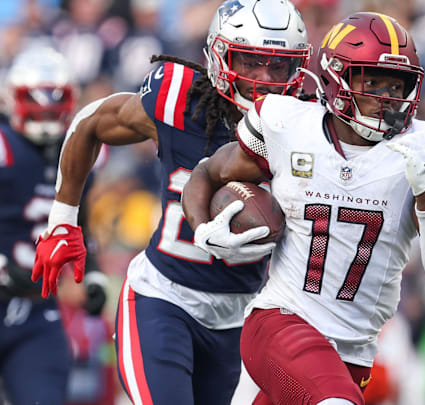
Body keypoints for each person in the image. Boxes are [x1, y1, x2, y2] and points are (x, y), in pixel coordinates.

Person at [182, 12, 425, 404]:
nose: (387, 96)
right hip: (281, 321)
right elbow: (207, 172)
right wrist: (202, 230)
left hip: (353, 355)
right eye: (372, 80)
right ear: (337, 76)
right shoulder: (288, 125)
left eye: (396, 84)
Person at [30, 0, 311, 403]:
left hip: (242, 318)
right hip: (163, 300)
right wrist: (63, 219)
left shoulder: (306, 131)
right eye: (249, 61)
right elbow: (92, 120)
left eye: (279, 65)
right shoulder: (181, 100)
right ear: (219, 56)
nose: (263, 78)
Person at [0, 46, 106, 405]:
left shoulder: (75, 149)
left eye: (54, 104)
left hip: (34, 312)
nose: (46, 114)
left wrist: (92, 276)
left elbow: (79, 226)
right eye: (37, 103)